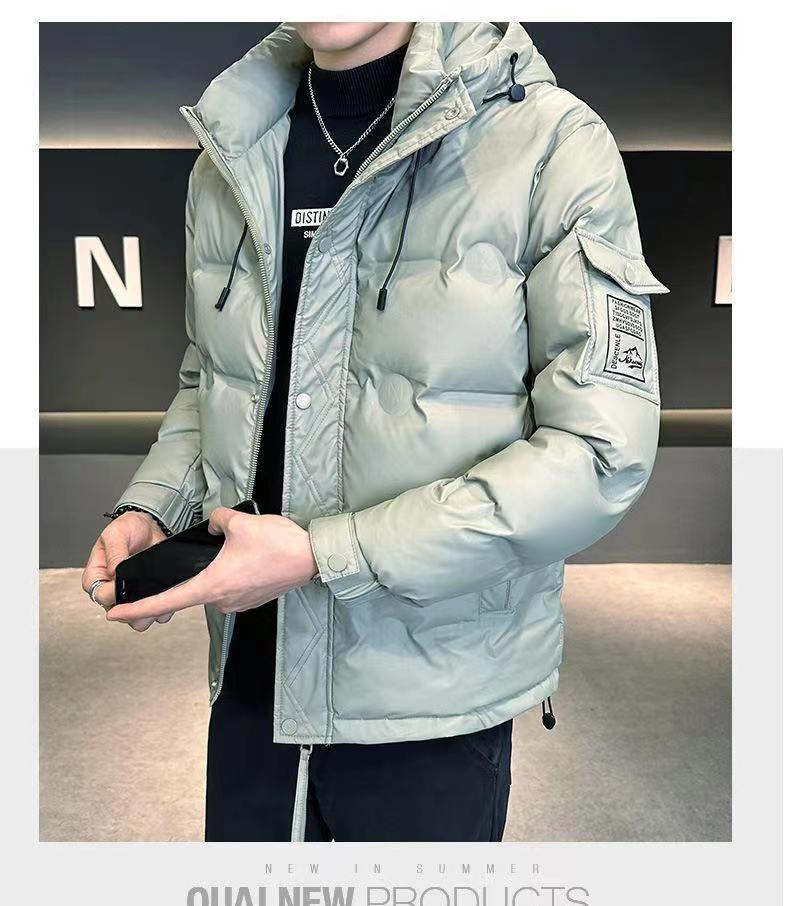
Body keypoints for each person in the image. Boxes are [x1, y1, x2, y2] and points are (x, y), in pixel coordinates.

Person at [81, 21, 667, 842]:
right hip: (252, 676)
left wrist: (327, 554)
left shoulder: (550, 144)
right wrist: (156, 506)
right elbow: (212, 379)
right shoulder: (233, 147)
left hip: (430, 693)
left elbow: (600, 452)